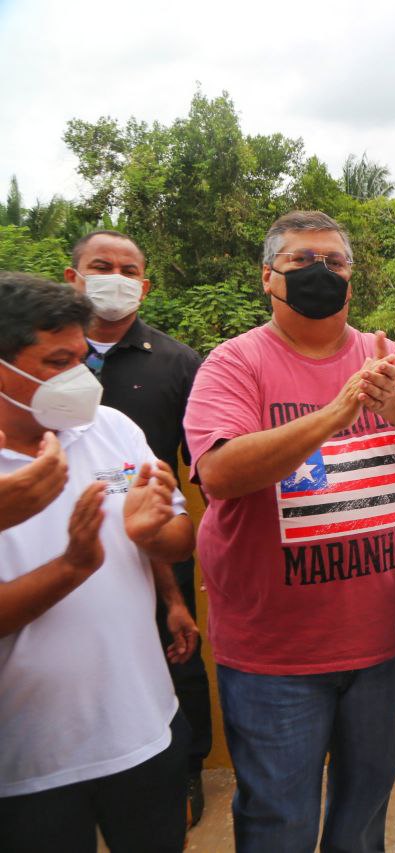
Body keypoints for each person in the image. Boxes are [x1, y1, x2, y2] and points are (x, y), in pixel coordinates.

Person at [184, 210, 395, 852]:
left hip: (378, 644)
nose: (320, 273)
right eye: (302, 262)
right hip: (274, 655)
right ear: (268, 278)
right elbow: (222, 472)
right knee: (280, 822)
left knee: (363, 816)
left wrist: (391, 400)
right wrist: (337, 411)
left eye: (334, 262)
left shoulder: (386, 357)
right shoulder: (235, 364)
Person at [0, 273, 194, 853]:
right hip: (30, 762)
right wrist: (71, 568)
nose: (78, 379)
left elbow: (181, 537)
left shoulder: (111, 429)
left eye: (82, 359)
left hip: (144, 729)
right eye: (56, 360)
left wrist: (155, 534)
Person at [63, 228, 210, 824]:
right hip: (48, 543)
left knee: (178, 654)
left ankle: (187, 769)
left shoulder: (177, 362)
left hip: (155, 540)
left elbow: (200, 463)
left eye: (129, 271)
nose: (116, 280)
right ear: (73, 278)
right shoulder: (38, 358)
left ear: (145, 287)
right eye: (102, 266)